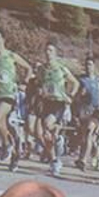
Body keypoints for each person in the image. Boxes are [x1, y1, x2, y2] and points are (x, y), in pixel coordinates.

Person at [0, 28, 31, 170]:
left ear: (3, 40)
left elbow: (28, 68)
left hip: (8, 94)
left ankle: (7, 145)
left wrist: (24, 82)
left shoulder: (11, 56)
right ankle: (14, 154)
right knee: (1, 124)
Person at [33, 42, 79, 177]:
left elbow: (75, 82)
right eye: (46, 50)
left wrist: (70, 95)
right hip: (46, 102)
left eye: (51, 50)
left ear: (55, 53)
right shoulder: (41, 69)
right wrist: (39, 90)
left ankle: (58, 134)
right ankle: (54, 161)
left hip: (59, 103)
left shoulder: (61, 69)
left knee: (47, 125)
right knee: (44, 135)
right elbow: (39, 83)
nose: (48, 53)